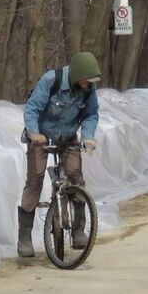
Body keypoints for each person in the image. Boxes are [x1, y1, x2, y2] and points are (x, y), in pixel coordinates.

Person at [19, 52, 100, 259]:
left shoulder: (88, 88)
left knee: (76, 176)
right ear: (77, 75)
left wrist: (88, 136)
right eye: (86, 79)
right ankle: (25, 237)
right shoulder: (51, 80)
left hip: (68, 136)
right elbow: (32, 109)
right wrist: (34, 133)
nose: (88, 84)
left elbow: (91, 114)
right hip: (42, 136)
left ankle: (78, 229)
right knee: (35, 179)